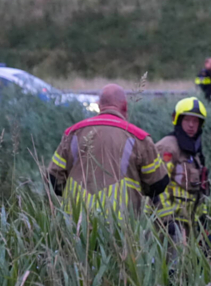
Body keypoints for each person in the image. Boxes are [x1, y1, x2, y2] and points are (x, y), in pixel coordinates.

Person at [48, 84, 169, 220]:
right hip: (121, 225)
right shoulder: (139, 138)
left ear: (100, 106)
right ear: (125, 106)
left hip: (76, 224)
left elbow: (53, 179)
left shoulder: (73, 133)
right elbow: (158, 183)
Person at [155, 97, 211, 241]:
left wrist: (202, 217)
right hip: (170, 224)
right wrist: (167, 220)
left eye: (196, 121)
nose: (191, 125)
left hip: (189, 225)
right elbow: (157, 186)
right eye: (187, 120)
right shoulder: (168, 147)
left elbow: (199, 191)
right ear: (179, 120)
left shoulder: (194, 152)